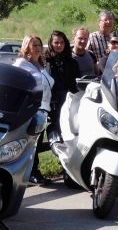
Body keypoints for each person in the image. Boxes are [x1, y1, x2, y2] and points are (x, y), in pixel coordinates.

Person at [13, 35, 54, 185]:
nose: (37, 48)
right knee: (29, 143)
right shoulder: (21, 63)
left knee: (35, 143)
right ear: (26, 47)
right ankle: (29, 174)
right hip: (30, 109)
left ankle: (31, 172)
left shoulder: (41, 65)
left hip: (43, 108)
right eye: (33, 45)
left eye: (39, 45)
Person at [44, 31, 80, 153]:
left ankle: (68, 160)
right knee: (56, 128)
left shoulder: (71, 61)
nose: (59, 45)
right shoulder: (45, 61)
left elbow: (76, 83)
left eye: (61, 42)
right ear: (51, 44)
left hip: (69, 100)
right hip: (51, 101)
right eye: (56, 42)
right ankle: (59, 152)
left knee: (69, 129)